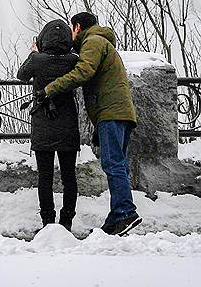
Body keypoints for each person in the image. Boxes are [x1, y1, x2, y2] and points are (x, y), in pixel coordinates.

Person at [44, 12, 142, 236]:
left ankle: (125, 212)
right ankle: (115, 219)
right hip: (117, 112)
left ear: (77, 27)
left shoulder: (94, 42)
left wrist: (50, 88)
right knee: (118, 164)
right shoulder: (100, 42)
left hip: (111, 113)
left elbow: (83, 71)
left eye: (71, 28)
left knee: (113, 163)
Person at [17, 20, 80, 231]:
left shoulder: (37, 60)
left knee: (45, 176)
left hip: (43, 123)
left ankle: (48, 222)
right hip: (67, 124)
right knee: (69, 176)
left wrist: (33, 53)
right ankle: (67, 220)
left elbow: (21, 75)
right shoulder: (73, 60)